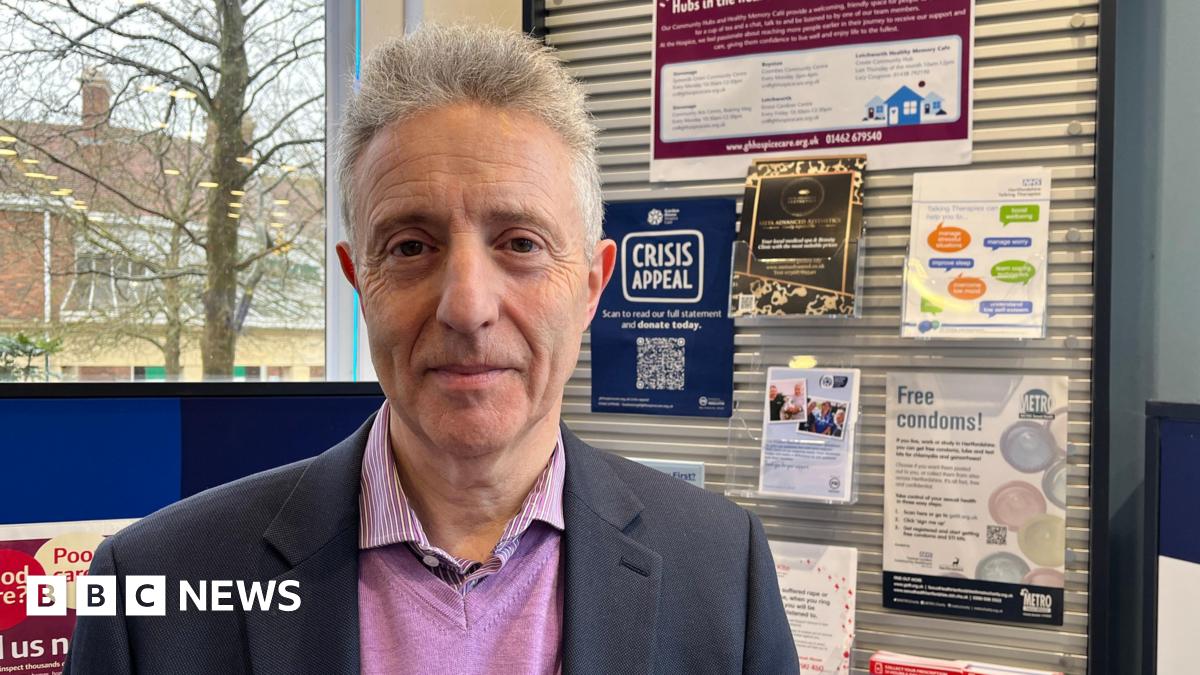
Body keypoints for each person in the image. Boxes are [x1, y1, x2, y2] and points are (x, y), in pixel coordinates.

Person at [65, 24, 797, 675]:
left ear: (591, 286)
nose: (467, 307)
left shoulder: (721, 571)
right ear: (359, 282)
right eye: (411, 246)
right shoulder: (154, 589)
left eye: (521, 244)